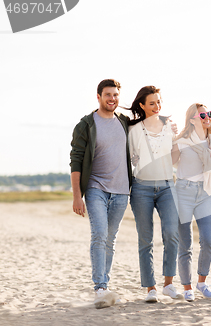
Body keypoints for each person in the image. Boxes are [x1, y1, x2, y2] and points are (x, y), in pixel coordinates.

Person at [70, 79, 132, 308]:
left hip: (122, 191)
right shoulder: (86, 125)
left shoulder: (125, 122)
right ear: (98, 97)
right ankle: (100, 287)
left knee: (110, 239)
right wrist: (77, 196)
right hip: (96, 188)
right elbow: (75, 161)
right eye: (108, 95)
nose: (112, 99)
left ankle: (104, 283)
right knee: (99, 235)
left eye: (115, 95)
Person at [126, 86, 182, 302]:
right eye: (152, 103)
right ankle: (151, 288)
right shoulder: (134, 130)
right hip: (142, 189)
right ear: (142, 105)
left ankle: (168, 284)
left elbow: (174, 159)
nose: (157, 106)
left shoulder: (169, 126)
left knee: (171, 233)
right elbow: (130, 160)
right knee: (145, 239)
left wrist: (176, 138)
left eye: (159, 102)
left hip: (168, 186)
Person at [171, 103, 211, 302]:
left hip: (205, 193)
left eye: (209, 113)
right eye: (202, 114)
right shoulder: (182, 140)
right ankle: (187, 287)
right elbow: (171, 162)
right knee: (185, 245)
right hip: (183, 192)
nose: (207, 117)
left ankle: (202, 282)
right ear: (192, 119)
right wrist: (172, 141)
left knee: (209, 241)